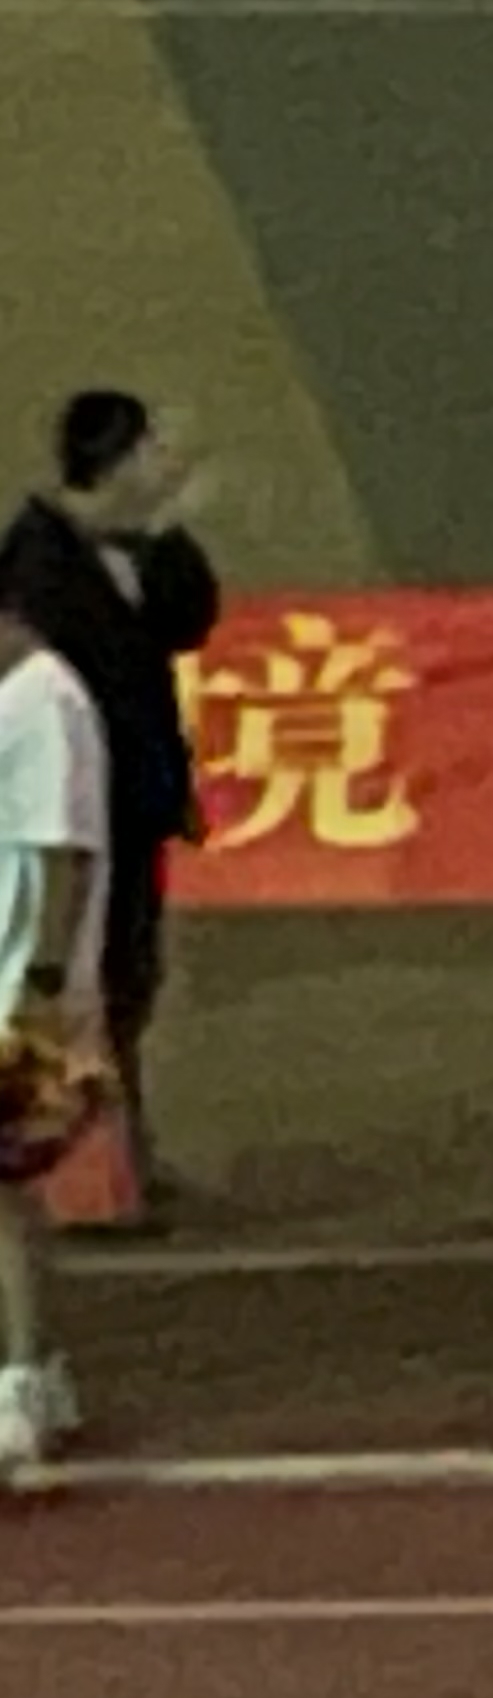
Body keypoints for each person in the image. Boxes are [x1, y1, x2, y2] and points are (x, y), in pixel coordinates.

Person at [0, 392, 223, 1223]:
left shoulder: (137, 546)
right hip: (65, 815)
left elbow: (191, 618)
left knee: (127, 984)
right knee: (77, 988)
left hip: (126, 809)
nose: (164, 463)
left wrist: (164, 533)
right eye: (152, 450)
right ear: (116, 460)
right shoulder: (37, 564)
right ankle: (82, 1178)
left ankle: (121, 1161)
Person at [0, 596, 106, 1476]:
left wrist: (40, 988)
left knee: (4, 1194)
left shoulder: (44, 702)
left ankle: (22, 1382)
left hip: (13, 990)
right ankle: (42, 1378)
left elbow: (64, 854)